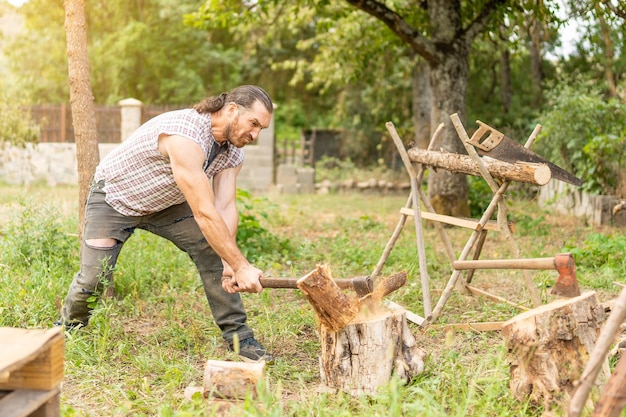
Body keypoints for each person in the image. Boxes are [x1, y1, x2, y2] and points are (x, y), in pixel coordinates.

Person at [56, 85, 274, 362]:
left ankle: (239, 337)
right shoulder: (186, 135)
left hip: (165, 205)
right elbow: (205, 213)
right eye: (253, 124)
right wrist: (242, 266)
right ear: (231, 110)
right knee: (93, 277)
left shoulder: (232, 153)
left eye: (261, 129)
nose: (255, 135)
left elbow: (225, 206)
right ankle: (66, 330)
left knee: (215, 255)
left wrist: (231, 263)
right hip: (115, 200)